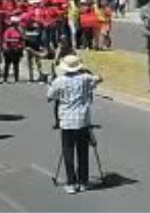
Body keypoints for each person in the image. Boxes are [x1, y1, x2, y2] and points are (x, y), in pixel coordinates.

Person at [46, 54, 102, 195]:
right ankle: (83, 181)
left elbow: (49, 96)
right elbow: (99, 78)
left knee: (68, 152)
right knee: (83, 152)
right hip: (83, 120)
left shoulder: (59, 81)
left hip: (67, 121)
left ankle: (71, 183)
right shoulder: (85, 78)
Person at [1, 17, 24, 83]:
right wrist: (15, 40)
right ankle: (5, 79)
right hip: (9, 49)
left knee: (16, 65)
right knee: (7, 64)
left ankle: (16, 79)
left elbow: (22, 39)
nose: (16, 25)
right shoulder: (8, 30)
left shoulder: (20, 30)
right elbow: (6, 39)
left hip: (17, 49)